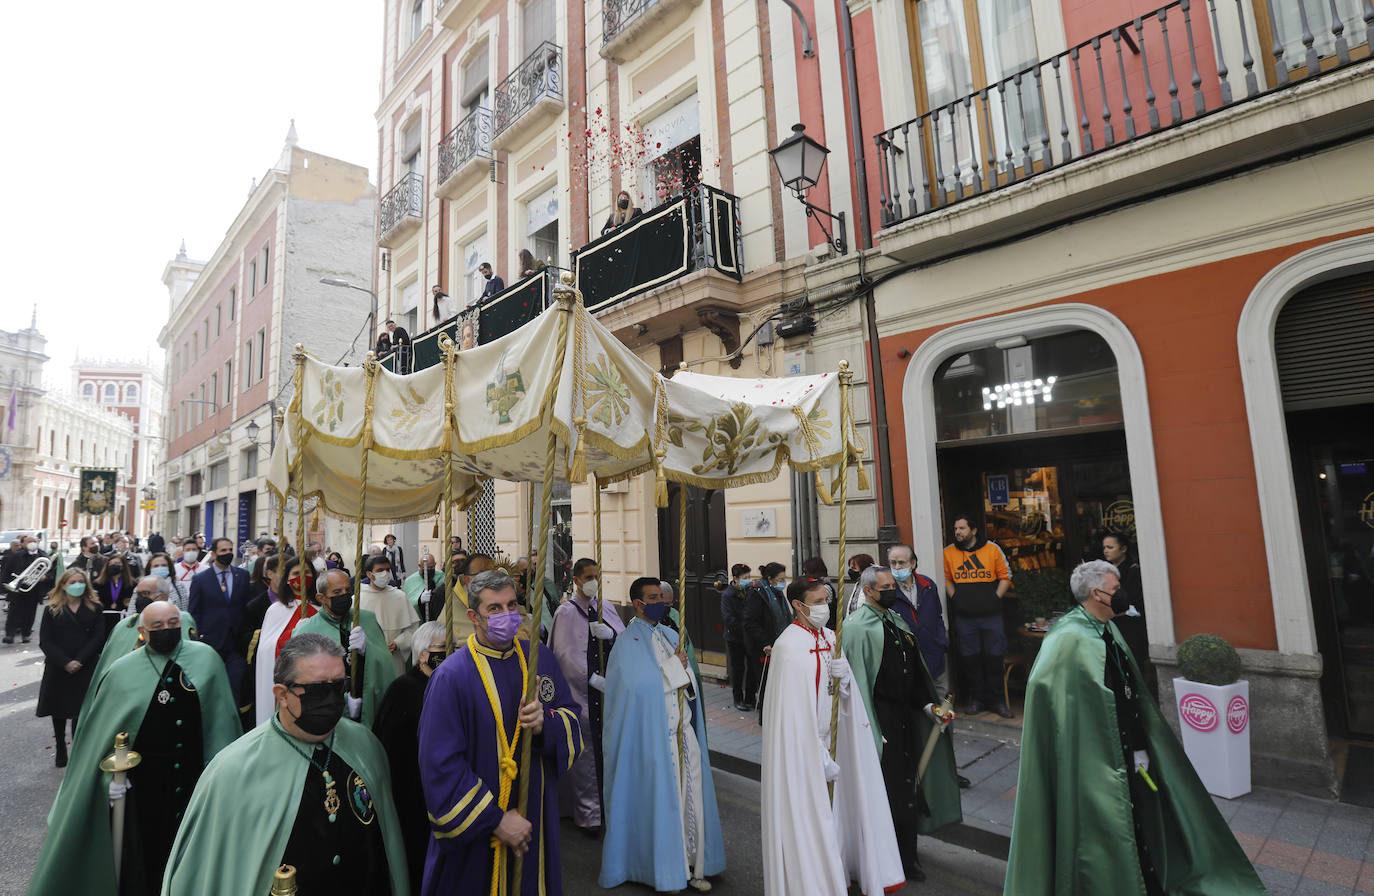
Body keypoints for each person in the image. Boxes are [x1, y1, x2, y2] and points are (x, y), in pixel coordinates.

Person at [1004, 561, 1267, 895]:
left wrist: (1140, 745)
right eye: (1115, 589)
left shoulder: (1107, 629)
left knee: (1136, 819)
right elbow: (1056, 701)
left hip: (1126, 745)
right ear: (1096, 594)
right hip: (1092, 759)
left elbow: (1128, 692)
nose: (1122, 594)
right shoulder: (1069, 638)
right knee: (1106, 828)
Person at [163, 633, 409, 895]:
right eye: (316, 690)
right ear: (281, 694)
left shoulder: (365, 746)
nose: (330, 699)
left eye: (338, 686)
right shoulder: (232, 771)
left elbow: (387, 846)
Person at [29, 601, 239, 896]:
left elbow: (222, 722)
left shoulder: (207, 659)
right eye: (157, 626)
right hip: (143, 785)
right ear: (142, 631)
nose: (166, 630)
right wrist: (108, 780)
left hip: (194, 779)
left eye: (172, 624)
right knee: (146, 858)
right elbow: (100, 738)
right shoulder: (122, 671)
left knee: (191, 853)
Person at [418, 570, 583, 896]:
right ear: (473, 616)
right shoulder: (451, 676)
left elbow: (572, 721)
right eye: (494, 608)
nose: (506, 615)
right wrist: (495, 820)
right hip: (480, 831)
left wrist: (545, 724)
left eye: (511, 605)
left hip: (534, 815)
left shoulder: (539, 658)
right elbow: (439, 765)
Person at [761, 577, 904, 896]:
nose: (824, 607)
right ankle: (817, 883)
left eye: (825, 600)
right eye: (817, 602)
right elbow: (791, 714)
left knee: (839, 814)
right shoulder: (788, 646)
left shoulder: (830, 637)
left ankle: (841, 871)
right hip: (805, 750)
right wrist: (816, 753)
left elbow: (844, 697)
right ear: (798, 605)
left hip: (836, 743)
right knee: (813, 818)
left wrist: (846, 680)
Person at [600, 577, 724, 892]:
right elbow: (636, 688)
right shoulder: (627, 642)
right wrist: (673, 669)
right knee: (664, 805)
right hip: (655, 738)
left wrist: (682, 672)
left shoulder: (671, 635)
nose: (660, 602)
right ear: (638, 603)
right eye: (653, 597)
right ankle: (668, 869)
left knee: (691, 799)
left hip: (683, 733)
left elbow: (690, 681)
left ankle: (694, 861)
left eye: (661, 597)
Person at [845, 565, 963, 882]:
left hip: (905, 718)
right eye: (885, 587)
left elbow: (914, 673)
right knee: (889, 792)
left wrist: (928, 706)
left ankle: (907, 857)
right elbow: (857, 684)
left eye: (892, 586)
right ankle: (884, 859)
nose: (891, 591)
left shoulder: (896, 622)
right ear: (868, 591)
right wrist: (868, 726)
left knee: (907, 790)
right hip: (879, 719)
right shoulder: (856, 628)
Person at [548, 558, 623, 834]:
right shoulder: (566, 613)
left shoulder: (606, 607)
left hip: (609, 691)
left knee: (609, 749)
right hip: (582, 691)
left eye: (596, 576)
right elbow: (563, 654)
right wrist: (591, 678)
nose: (593, 581)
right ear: (577, 580)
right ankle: (588, 813)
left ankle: (611, 806)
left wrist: (611, 635)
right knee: (584, 754)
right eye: (588, 577)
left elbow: (625, 640)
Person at [373, 620, 446, 894]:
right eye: (442, 648)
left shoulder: (450, 684)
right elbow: (389, 747)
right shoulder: (402, 690)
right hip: (412, 796)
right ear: (423, 655)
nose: (449, 653)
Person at [292, 568, 396, 726]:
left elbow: (386, 664)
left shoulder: (367, 619)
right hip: (330, 709)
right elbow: (304, 682)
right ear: (321, 598)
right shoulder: (307, 631)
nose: (344, 595)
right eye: (337, 592)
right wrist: (345, 704)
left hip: (368, 700)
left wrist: (367, 649)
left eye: (348, 590)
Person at [943, 515, 1014, 718]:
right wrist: (956, 598)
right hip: (965, 617)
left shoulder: (992, 549)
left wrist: (995, 598)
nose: (957, 532)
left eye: (962, 528)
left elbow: (1006, 576)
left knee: (994, 657)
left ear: (973, 531)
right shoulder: (948, 552)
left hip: (991, 616)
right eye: (955, 528)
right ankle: (977, 699)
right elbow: (946, 578)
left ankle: (998, 701)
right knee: (970, 659)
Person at [37, 569, 105, 766]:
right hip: (59, 665)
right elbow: (45, 641)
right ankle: (60, 746)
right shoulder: (52, 609)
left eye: (81, 581)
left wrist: (80, 660)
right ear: (64, 585)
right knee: (58, 709)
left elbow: (98, 637)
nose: (77, 585)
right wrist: (65, 662)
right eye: (73, 582)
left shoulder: (95, 607)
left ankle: (77, 749)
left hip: (85, 664)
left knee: (80, 710)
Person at [88, 575, 198, 688]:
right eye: (138, 594)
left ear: (162, 596)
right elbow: (110, 663)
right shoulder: (125, 625)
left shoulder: (181, 619)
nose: (140, 598)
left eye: (145, 593)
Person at [247, 555, 319, 726]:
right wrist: (294, 634)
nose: (302, 577)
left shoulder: (321, 608)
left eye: (307, 572)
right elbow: (267, 649)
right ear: (287, 579)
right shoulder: (276, 610)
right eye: (296, 573)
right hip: (287, 678)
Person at [188, 537, 251, 704]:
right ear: (214, 554)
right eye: (223, 550)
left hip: (236, 643)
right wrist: (199, 637)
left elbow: (247, 606)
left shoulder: (242, 575)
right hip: (210, 642)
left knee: (235, 686)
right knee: (210, 686)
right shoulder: (201, 579)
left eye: (230, 550)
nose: (228, 553)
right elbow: (194, 612)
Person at [888, 543, 951, 697]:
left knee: (941, 697)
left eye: (901, 562)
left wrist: (941, 642)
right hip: (906, 659)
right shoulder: (887, 590)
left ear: (913, 563)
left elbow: (937, 615)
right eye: (893, 563)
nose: (897, 567)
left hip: (934, 653)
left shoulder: (928, 585)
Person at [1102, 531, 1153, 695]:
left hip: (1131, 629)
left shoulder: (1134, 571)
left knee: (1132, 669)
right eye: (1104, 547)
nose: (1106, 551)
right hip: (1112, 627)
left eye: (1110, 547)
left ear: (1123, 549)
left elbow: (1135, 603)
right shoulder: (1105, 572)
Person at [743, 562, 791, 716]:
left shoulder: (776, 592)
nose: (783, 582)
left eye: (784, 579)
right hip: (763, 647)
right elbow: (750, 622)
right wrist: (765, 642)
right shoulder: (757, 593)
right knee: (766, 685)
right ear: (770, 579)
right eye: (780, 579)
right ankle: (765, 718)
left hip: (778, 644)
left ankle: (777, 715)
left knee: (777, 683)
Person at [361, 552, 418, 676]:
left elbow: (413, 629)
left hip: (394, 658)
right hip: (368, 659)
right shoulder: (358, 599)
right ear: (369, 574)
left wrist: (398, 643)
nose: (385, 573)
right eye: (380, 570)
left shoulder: (400, 597)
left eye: (387, 570)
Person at [3, 535, 55, 644]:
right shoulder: (16, 555)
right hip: (17, 588)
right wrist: (5, 585)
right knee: (13, 612)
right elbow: (7, 570)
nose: (32, 543)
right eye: (29, 541)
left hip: (34, 590)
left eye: (34, 541)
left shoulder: (43, 556)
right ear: (23, 544)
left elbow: (51, 574)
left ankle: (26, 634)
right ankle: (9, 635)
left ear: (38, 543)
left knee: (30, 613)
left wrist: (45, 577)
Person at [719, 563, 754, 710]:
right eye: (744, 578)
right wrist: (745, 630)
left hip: (750, 636)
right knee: (738, 669)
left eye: (749, 577)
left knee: (752, 667)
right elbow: (729, 618)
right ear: (735, 578)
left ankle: (750, 698)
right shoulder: (728, 595)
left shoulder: (749, 591)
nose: (748, 580)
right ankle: (738, 698)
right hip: (735, 637)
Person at [92, 552, 136, 632]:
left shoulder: (132, 584)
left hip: (123, 620)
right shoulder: (98, 584)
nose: (113, 565)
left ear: (123, 566)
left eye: (117, 563)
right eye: (110, 564)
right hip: (104, 620)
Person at [405, 553, 444, 621]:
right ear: (420, 566)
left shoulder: (441, 576)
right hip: (420, 618)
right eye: (427, 568)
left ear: (435, 564)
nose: (429, 570)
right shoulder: (410, 581)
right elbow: (407, 603)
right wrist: (419, 600)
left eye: (432, 567)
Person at [800, 556, 837, 627]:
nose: (804, 575)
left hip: (826, 624)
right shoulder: (814, 584)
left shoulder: (824, 587)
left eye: (806, 572)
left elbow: (824, 608)